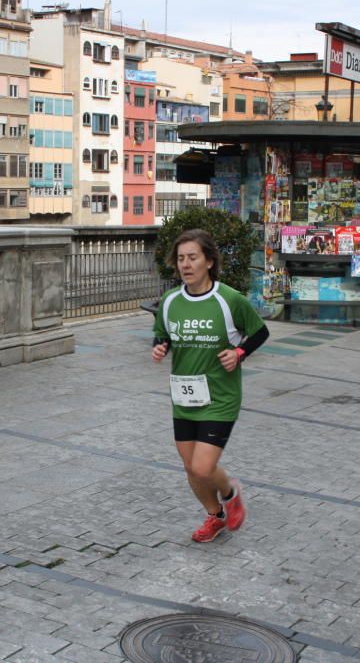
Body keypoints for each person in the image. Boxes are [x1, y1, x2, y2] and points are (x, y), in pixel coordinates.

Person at [152, 229, 270, 542]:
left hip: (220, 396)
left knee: (203, 468)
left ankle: (231, 494)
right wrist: (160, 346)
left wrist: (239, 353)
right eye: (180, 259)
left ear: (209, 261)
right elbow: (163, 331)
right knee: (191, 468)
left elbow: (259, 332)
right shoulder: (169, 301)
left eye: (193, 257)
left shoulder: (229, 299)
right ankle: (214, 516)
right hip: (183, 395)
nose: (185, 264)